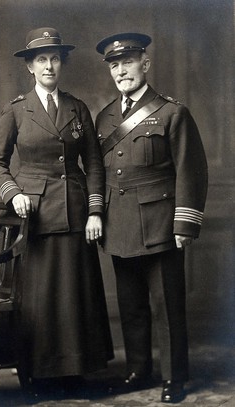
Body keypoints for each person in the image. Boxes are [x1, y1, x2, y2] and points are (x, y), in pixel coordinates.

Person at [0, 27, 113, 398]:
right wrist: (13, 194)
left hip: (75, 212)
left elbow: (93, 163)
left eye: (55, 58)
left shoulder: (77, 108)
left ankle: (75, 370)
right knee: (41, 298)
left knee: (74, 295)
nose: (49, 65)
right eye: (41, 59)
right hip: (35, 217)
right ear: (30, 66)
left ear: (62, 63)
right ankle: (39, 373)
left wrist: (95, 212)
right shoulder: (15, 110)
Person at [95, 32, 208, 403]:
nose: (121, 71)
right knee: (131, 306)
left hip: (160, 222)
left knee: (167, 306)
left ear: (145, 63)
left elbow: (190, 170)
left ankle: (175, 377)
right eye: (114, 65)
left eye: (127, 62)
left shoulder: (172, 112)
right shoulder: (106, 116)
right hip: (119, 223)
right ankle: (138, 370)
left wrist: (184, 223)